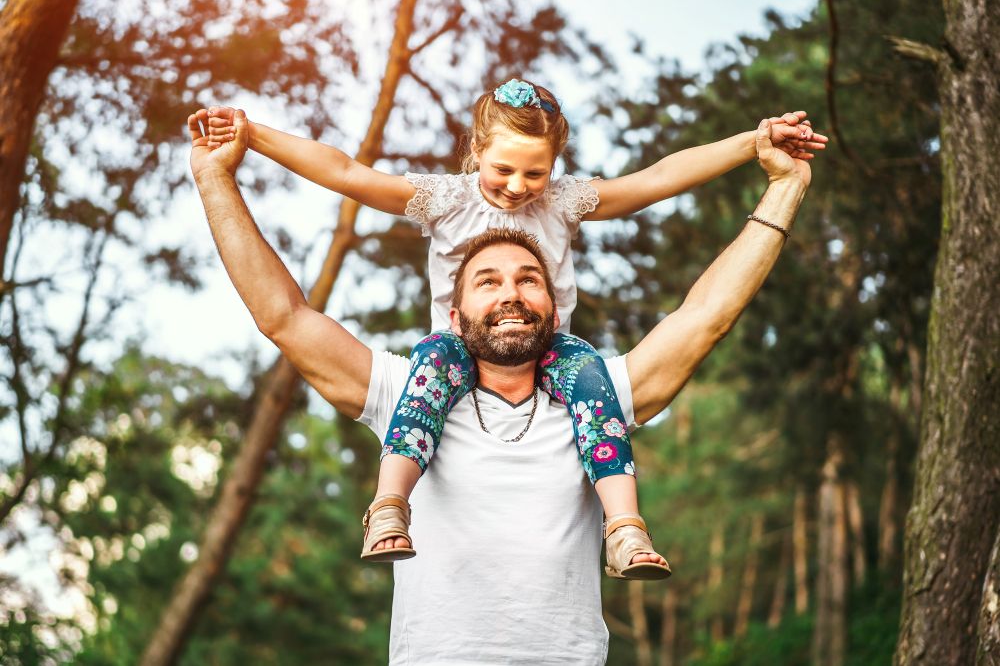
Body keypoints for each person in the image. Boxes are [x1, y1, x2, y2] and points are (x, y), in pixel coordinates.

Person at [188, 105, 812, 664]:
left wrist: (780, 182)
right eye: (487, 280)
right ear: (454, 315)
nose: (511, 291)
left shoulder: (592, 389)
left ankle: (625, 529)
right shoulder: (413, 390)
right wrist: (221, 172)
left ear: (556, 304)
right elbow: (284, 314)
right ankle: (386, 508)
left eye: (529, 279)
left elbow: (705, 315)